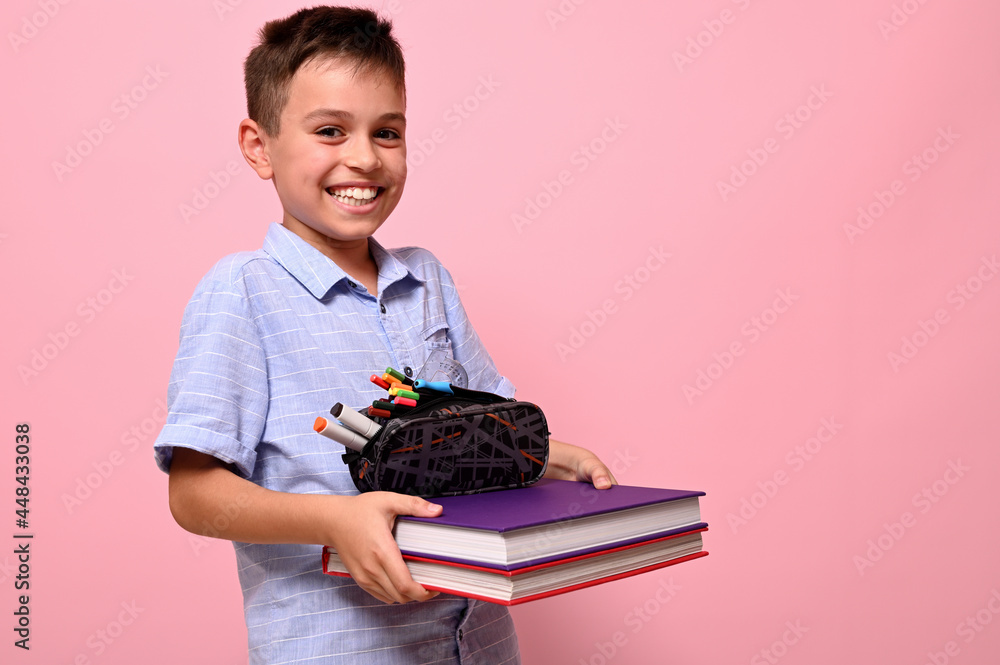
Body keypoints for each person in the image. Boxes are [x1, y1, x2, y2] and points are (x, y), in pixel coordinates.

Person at [155, 6, 616, 664]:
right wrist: (333, 519)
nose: (364, 158)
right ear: (260, 146)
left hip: (478, 646)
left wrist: (548, 455)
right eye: (330, 131)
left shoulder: (427, 280)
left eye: (388, 132)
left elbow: (481, 426)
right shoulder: (241, 292)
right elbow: (193, 492)